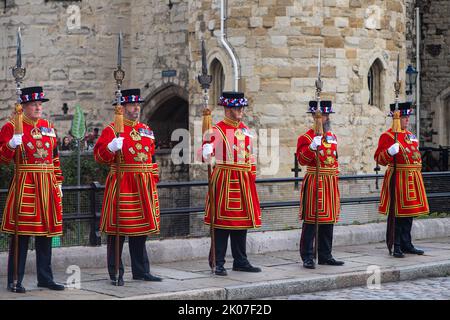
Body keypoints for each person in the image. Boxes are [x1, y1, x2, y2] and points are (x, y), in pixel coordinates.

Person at [0, 86, 65, 293]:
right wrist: (10, 144)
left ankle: (45, 278)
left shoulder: (48, 126)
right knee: (21, 235)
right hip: (26, 182)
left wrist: (59, 181)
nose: (38, 108)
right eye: (33, 104)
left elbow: (55, 156)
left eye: (39, 104)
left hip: (47, 183)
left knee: (46, 234)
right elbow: (3, 158)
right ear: (24, 107)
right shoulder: (12, 126)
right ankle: (15, 279)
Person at [94, 88, 162, 286]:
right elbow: (99, 157)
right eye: (132, 105)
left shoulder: (146, 130)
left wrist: (153, 179)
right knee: (118, 231)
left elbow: (152, 157)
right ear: (121, 108)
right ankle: (116, 272)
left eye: (137, 105)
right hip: (123, 182)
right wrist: (110, 148)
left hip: (143, 184)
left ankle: (141, 271)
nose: (136, 108)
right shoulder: (111, 129)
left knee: (141, 231)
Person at [202, 91, 262, 276]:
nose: (241, 110)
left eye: (242, 106)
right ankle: (217, 262)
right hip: (225, 181)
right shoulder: (216, 130)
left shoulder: (244, 129)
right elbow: (204, 158)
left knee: (241, 224)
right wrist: (206, 151)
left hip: (243, 180)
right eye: (237, 107)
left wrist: (251, 176)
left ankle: (240, 260)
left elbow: (250, 156)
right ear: (228, 109)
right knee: (222, 224)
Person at [374, 102, 429, 258]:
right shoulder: (388, 136)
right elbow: (379, 158)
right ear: (396, 118)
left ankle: (407, 243)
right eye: (404, 117)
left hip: (412, 177)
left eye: (407, 117)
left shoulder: (410, 135)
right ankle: (395, 244)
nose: (407, 120)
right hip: (398, 178)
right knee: (397, 213)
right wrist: (390, 151)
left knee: (409, 213)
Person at [296, 100, 344, 269]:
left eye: (327, 115)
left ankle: (325, 254)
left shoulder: (332, 136)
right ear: (315, 117)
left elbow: (334, 158)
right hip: (315, 181)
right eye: (323, 115)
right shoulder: (306, 137)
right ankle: (307, 255)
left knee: (328, 219)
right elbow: (302, 159)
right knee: (311, 219)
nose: (326, 118)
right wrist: (311, 148)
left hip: (330, 181)